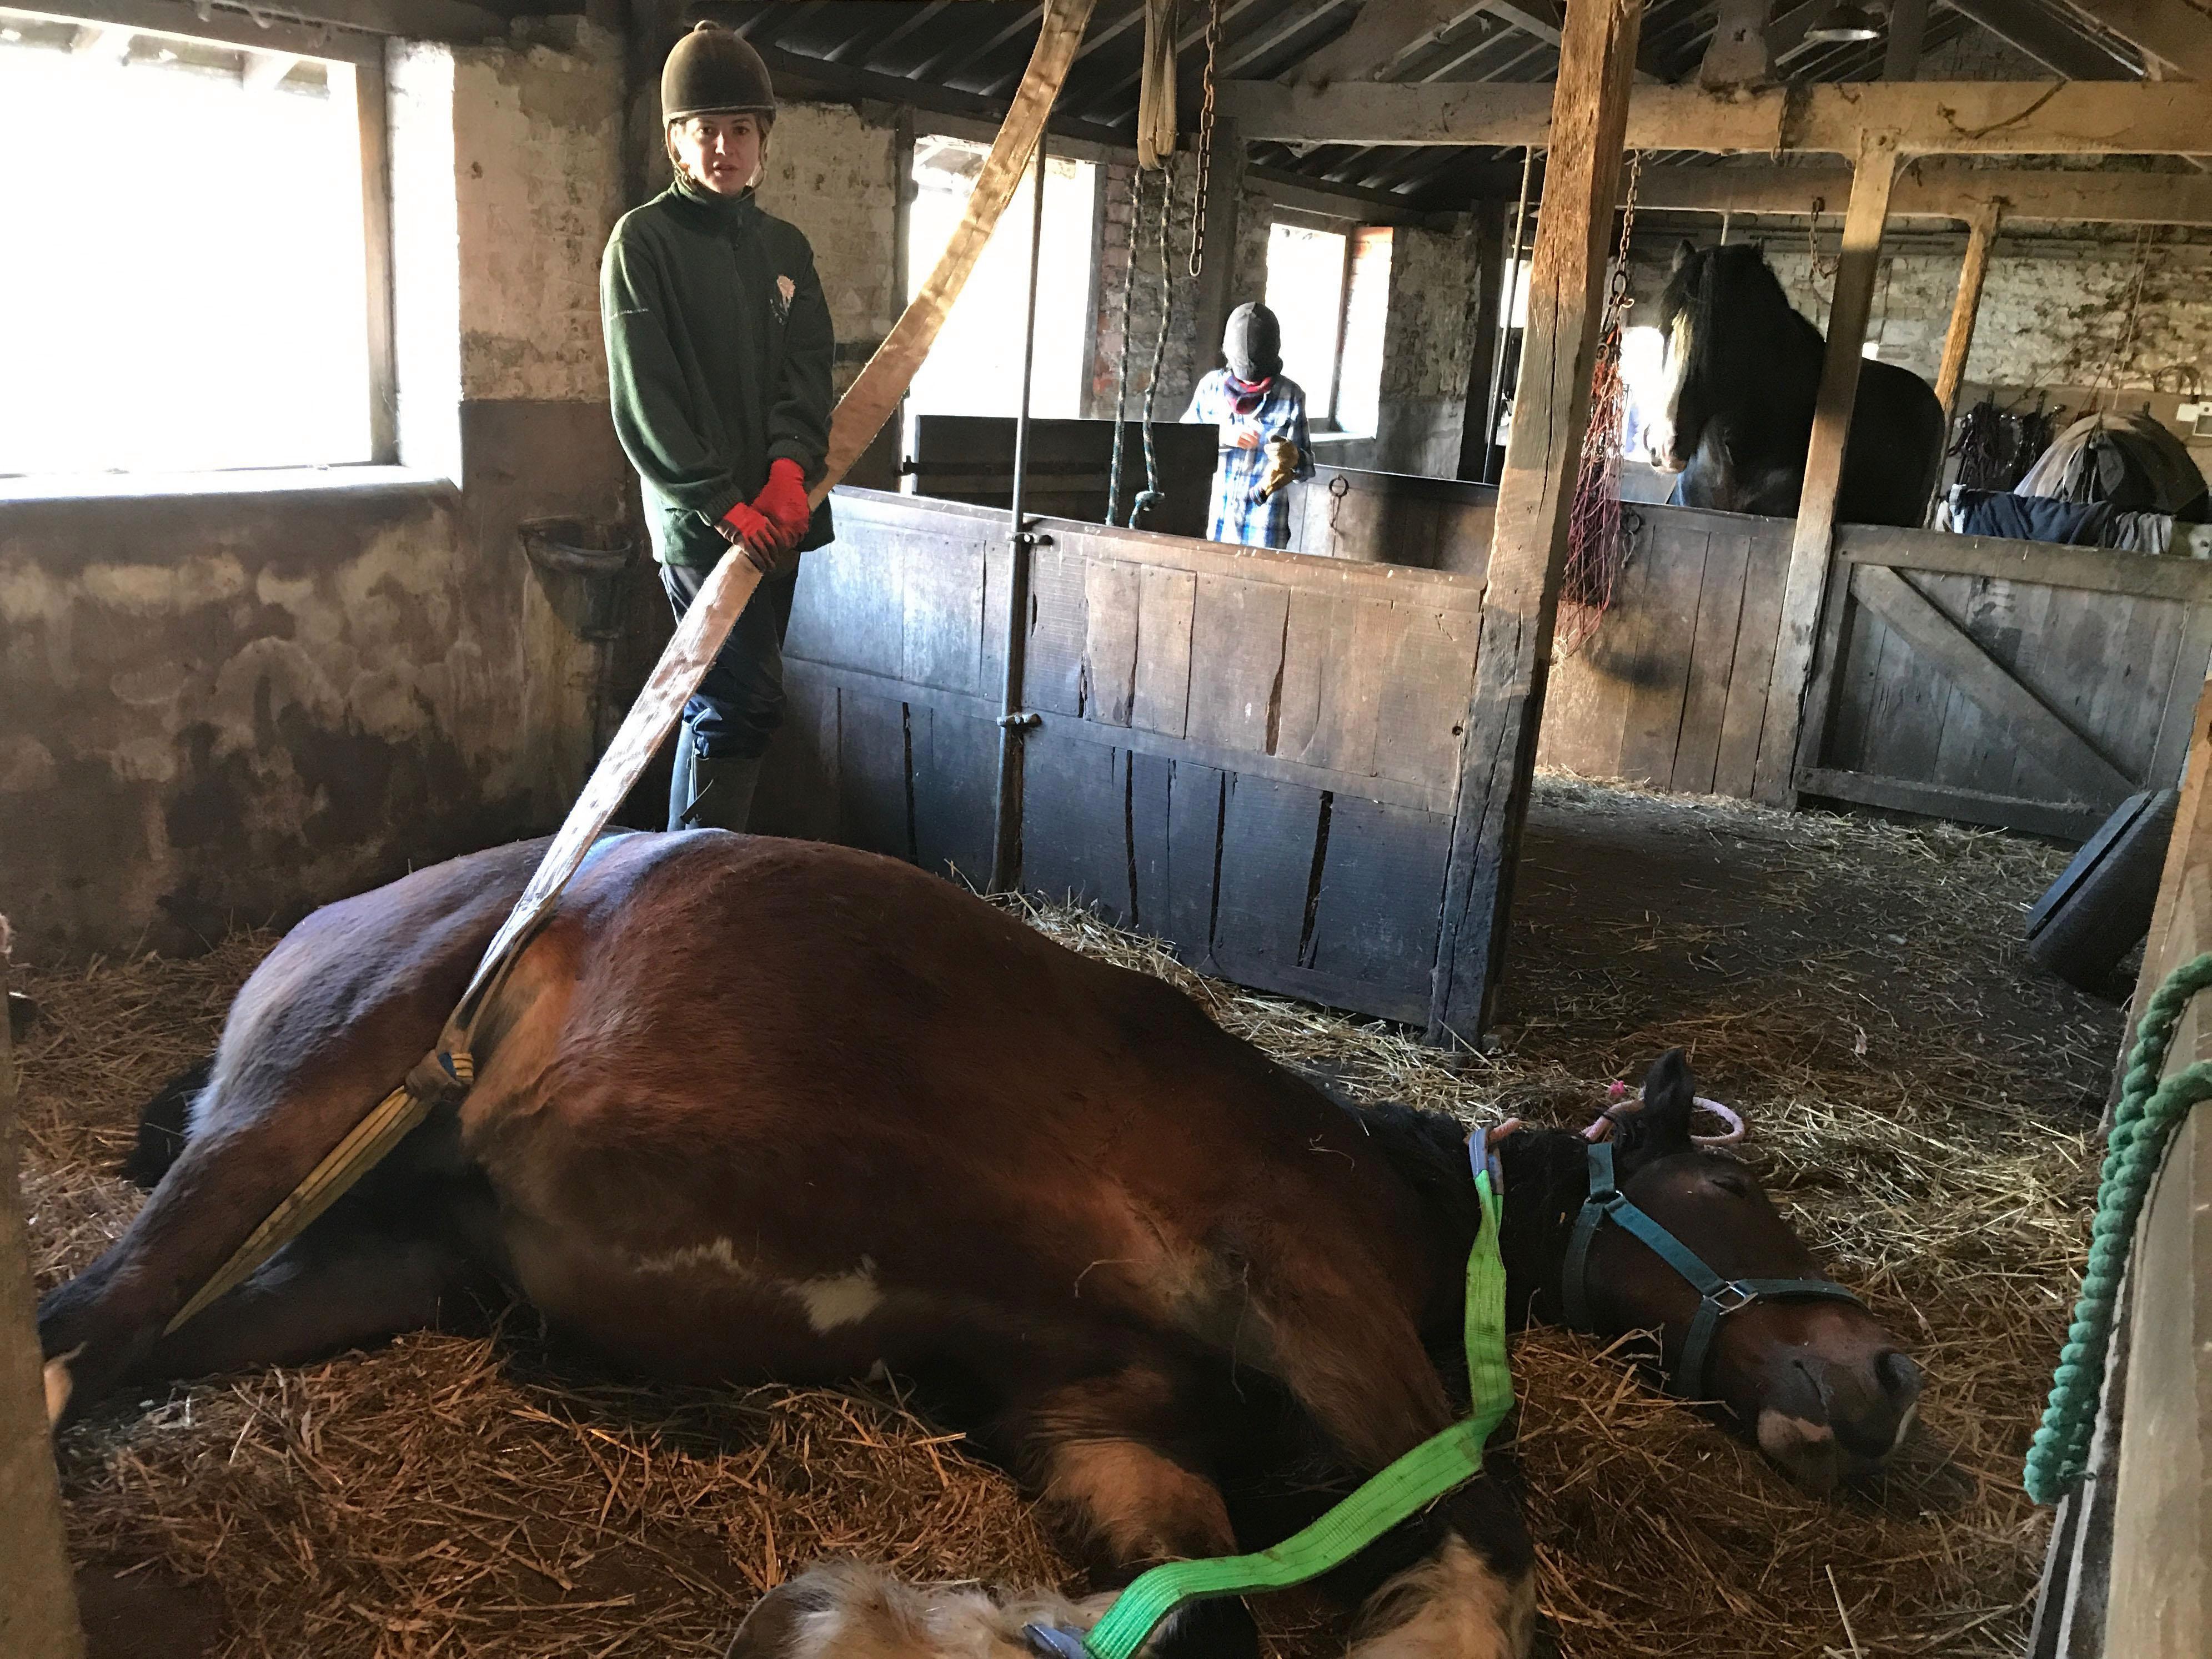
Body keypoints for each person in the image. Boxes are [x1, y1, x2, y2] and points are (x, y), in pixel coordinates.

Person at [600, 21, 835, 832]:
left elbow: (806, 369)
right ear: (676, 142)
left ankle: (686, 877)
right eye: (706, 132)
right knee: (741, 701)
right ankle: (693, 887)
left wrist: (787, 468)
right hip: (705, 525)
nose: (724, 147)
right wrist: (717, 501)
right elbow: (645, 395)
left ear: (762, 139)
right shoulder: (644, 244)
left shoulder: (785, 249)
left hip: (777, 515)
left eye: (740, 130)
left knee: (735, 707)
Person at [1181, 302, 1313, 549]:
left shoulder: (1291, 396)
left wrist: (1293, 457)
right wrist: (1219, 437)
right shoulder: (1211, 388)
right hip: (1216, 527)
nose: (1249, 381)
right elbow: (1180, 445)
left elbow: (1306, 471)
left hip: (1265, 533)